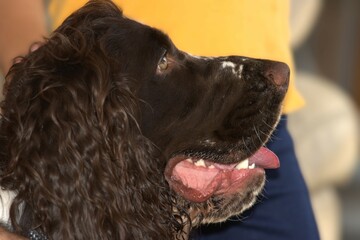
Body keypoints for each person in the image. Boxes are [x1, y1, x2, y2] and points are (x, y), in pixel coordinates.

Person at [0, 0, 320, 239]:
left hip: (236, 126)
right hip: (92, 104)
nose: (276, 76)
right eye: (165, 62)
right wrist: (45, 82)